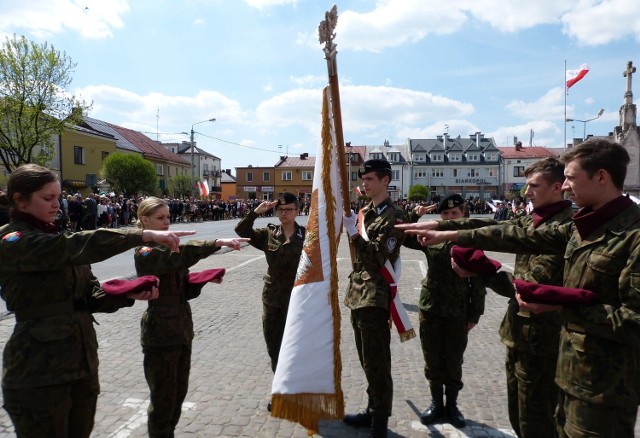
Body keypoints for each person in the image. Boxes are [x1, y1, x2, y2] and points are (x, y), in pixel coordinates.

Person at [397, 139, 640, 437]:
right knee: (528, 425)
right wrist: (448, 231)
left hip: (603, 385)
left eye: (571, 178)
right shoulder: (581, 226)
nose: (565, 186)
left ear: (601, 176)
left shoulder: (631, 234)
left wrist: (561, 305)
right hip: (564, 367)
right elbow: (515, 234)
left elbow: (634, 319)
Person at [0, 164, 195, 438]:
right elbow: (73, 247)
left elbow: (89, 296)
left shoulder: (55, 235)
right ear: (20, 199)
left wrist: (125, 293)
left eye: (58, 197)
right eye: (48, 198)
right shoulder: (12, 239)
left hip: (81, 362)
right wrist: (140, 235)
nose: (57, 204)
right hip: (39, 369)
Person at [418, 158, 572, 437]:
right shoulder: (530, 220)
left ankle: (451, 405)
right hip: (518, 335)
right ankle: (436, 402)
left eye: (533, 186)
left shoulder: (569, 228)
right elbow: (490, 231)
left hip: (549, 344)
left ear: (558, 187)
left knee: (542, 422)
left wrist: (480, 277)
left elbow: (519, 277)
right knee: (520, 418)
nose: (526, 193)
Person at [134, 196, 248, 438]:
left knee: (178, 393)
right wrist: (216, 243)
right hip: (160, 332)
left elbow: (183, 287)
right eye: (160, 218)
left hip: (182, 327)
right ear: (145, 220)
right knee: (163, 399)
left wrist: (203, 280)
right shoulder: (145, 251)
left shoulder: (167, 247)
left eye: (168, 217)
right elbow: (178, 258)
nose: (167, 222)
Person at [403, 194, 488, 429]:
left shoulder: (471, 240)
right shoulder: (432, 237)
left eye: (454, 213)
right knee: (431, 357)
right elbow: (402, 237)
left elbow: (478, 282)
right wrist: (415, 215)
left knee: (453, 359)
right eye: (445, 214)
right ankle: (435, 403)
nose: (450, 217)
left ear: (464, 214)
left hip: (458, 309)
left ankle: (452, 405)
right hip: (431, 306)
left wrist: (474, 314)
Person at [341, 159, 406, 438]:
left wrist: (354, 234)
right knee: (366, 359)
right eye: (363, 179)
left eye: (369, 179)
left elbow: (379, 256)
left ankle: (379, 421)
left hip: (376, 296)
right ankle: (371, 409)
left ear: (385, 181)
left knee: (378, 362)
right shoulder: (365, 211)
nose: (364, 184)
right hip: (358, 293)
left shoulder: (395, 216)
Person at [234, 192, 306, 409]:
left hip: (298, 300)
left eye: (289, 210)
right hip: (273, 299)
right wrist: (256, 212)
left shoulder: (307, 235)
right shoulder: (268, 233)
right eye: (281, 210)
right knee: (275, 347)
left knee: (295, 348)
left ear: (297, 211)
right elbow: (241, 231)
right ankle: (281, 392)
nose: (284, 213)